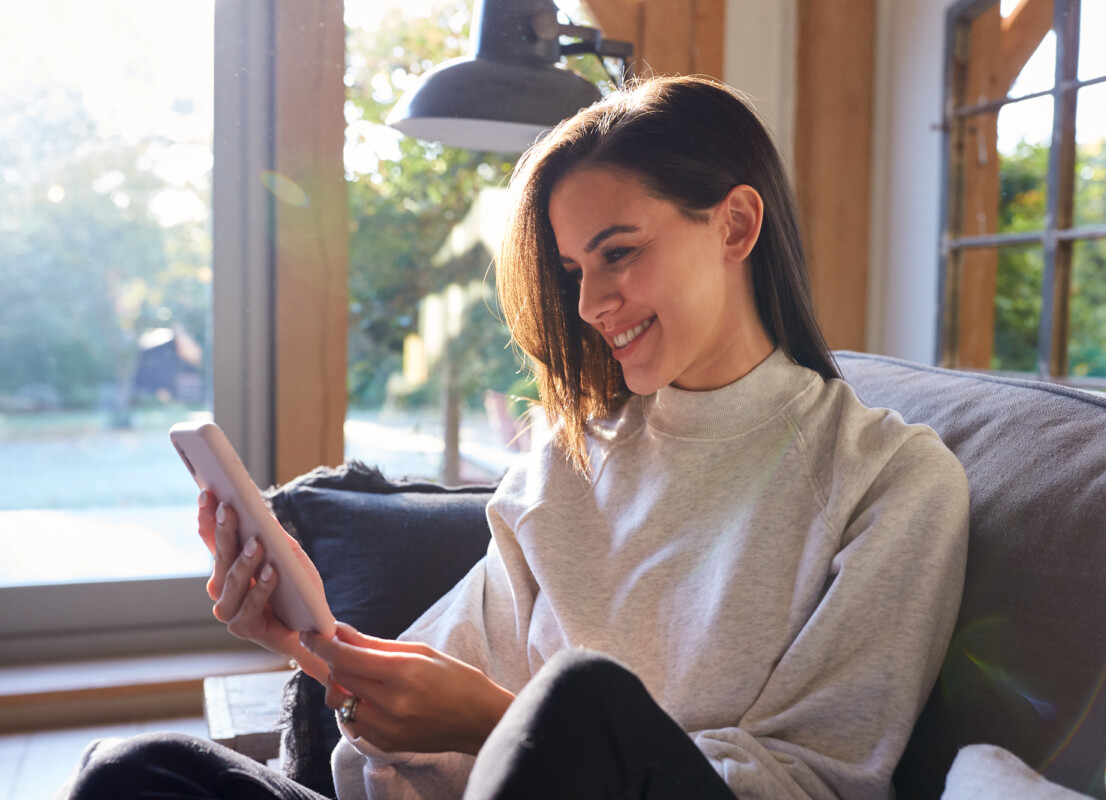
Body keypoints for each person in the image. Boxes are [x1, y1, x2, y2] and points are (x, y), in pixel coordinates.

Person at [59, 76, 968, 800]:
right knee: (134, 773)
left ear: (734, 224)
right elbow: (397, 755)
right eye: (574, 269)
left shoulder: (891, 482)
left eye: (618, 251)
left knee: (587, 704)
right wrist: (317, 651)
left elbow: (815, 783)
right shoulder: (568, 462)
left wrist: (502, 723)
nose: (588, 304)